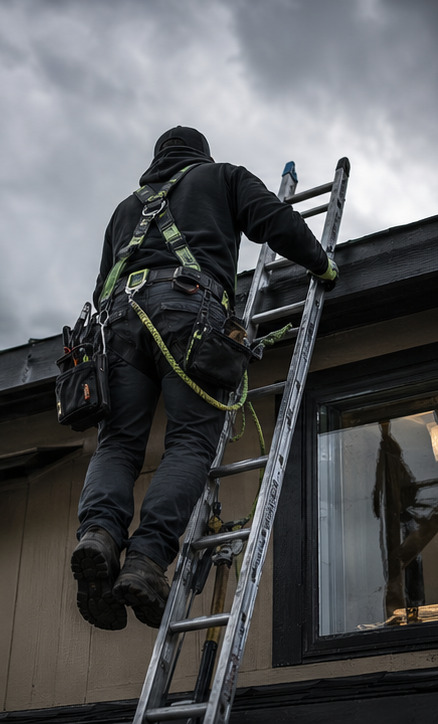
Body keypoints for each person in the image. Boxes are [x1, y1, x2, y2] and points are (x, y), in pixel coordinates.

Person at [71, 126, 338, 631]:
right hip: (190, 315)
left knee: (118, 445)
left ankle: (99, 536)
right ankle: (146, 560)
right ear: (201, 154)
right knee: (191, 441)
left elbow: (103, 283)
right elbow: (273, 221)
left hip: (119, 325)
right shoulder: (222, 177)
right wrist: (321, 265)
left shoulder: (126, 209)